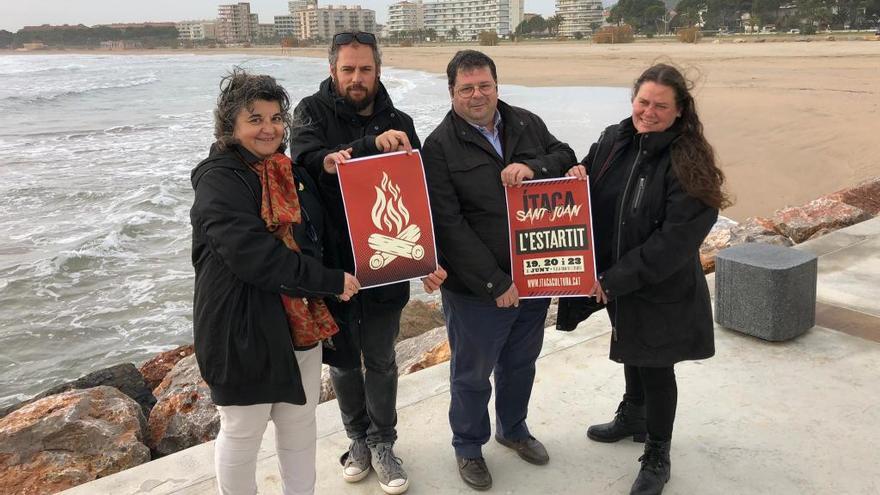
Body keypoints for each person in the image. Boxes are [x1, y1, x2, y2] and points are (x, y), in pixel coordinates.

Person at [558, 63, 730, 495]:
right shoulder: (616, 140)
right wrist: (577, 171)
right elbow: (589, 178)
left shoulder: (689, 162)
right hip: (619, 280)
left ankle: (658, 452)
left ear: (679, 111)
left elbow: (674, 242)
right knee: (630, 348)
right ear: (632, 100)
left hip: (660, 285)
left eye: (660, 105)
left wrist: (614, 279)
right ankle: (632, 413)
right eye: (642, 102)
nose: (648, 112)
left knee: (656, 366)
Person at [190, 69, 362, 495]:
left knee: (300, 424)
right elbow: (254, 257)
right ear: (231, 126)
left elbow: (321, 235)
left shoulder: (288, 171)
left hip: (301, 323)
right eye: (254, 119)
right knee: (243, 431)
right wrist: (328, 281)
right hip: (242, 328)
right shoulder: (219, 180)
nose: (268, 128)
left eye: (274, 117)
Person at [289, 31, 445, 495]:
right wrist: (363, 148)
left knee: (380, 359)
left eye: (365, 69)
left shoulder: (402, 119)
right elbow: (305, 159)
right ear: (332, 70)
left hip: (387, 261)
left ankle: (383, 442)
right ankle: (356, 439)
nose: (357, 78)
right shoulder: (309, 112)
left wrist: (429, 259)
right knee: (341, 363)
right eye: (348, 69)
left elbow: (418, 194)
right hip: (334, 268)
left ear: (378, 70)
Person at [420, 50, 577, 491]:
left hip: (535, 274)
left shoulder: (525, 122)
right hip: (478, 290)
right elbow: (448, 225)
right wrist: (495, 282)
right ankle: (468, 447)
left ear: (496, 85)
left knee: (521, 363)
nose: (477, 95)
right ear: (452, 92)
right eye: (466, 88)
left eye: (484, 85)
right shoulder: (439, 146)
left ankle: (514, 430)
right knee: (471, 375)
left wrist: (534, 167)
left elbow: (564, 155)